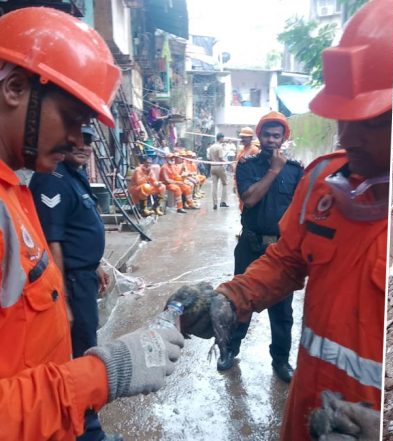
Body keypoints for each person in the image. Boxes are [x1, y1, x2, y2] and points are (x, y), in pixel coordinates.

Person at [174, 0, 393, 438]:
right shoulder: (319, 181)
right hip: (308, 412)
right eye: (344, 119)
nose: (349, 138)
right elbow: (289, 259)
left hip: (363, 424)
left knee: (282, 326)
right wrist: (234, 296)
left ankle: (280, 360)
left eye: (373, 121)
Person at [0, 8, 183, 441]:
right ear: (15, 88)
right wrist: (106, 372)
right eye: (72, 119)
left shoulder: (15, 190)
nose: (78, 141)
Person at [29, 125, 115, 441]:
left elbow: (79, 231)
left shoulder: (74, 176)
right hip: (71, 284)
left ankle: (85, 427)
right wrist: (62, 299)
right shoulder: (52, 180)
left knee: (85, 349)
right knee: (82, 356)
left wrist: (97, 264)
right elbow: (53, 243)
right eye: (77, 139)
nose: (84, 145)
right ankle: (87, 432)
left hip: (83, 277)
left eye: (90, 141)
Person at [219, 111, 304, 382]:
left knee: (282, 310)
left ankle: (280, 360)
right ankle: (229, 349)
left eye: (276, 135)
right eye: (266, 134)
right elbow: (250, 198)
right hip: (250, 246)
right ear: (259, 136)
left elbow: (302, 210)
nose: (271, 139)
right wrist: (273, 171)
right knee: (240, 301)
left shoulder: (296, 171)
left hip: (281, 251)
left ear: (284, 138)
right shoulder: (247, 166)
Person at [207, 133, 229, 210]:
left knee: (214, 185)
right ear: (220, 138)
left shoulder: (211, 147)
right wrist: (226, 162)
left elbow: (209, 158)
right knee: (225, 183)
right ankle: (223, 202)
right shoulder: (219, 147)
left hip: (212, 167)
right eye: (223, 138)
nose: (224, 140)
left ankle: (215, 203)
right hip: (219, 167)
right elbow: (221, 157)